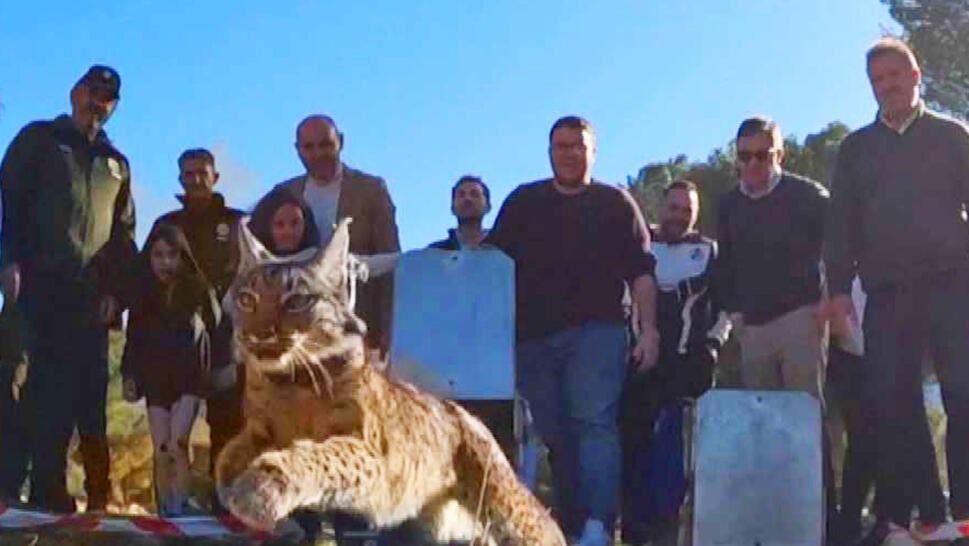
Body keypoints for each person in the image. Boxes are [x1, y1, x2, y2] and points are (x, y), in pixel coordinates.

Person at [485, 115, 659, 546]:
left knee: (594, 423)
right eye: (561, 146)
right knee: (555, 434)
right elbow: (492, 267)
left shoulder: (616, 203)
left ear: (593, 152)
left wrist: (650, 330)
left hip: (597, 333)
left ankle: (599, 525)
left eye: (578, 146)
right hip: (533, 339)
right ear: (549, 153)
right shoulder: (523, 202)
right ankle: (569, 523)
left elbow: (642, 271)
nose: (569, 153)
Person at [825, 37, 969, 545]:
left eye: (895, 75)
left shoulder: (954, 136)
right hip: (887, 292)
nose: (887, 86)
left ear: (916, 75)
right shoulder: (857, 149)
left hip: (955, 286)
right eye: (877, 80)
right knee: (896, 401)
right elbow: (840, 225)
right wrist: (839, 291)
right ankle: (931, 517)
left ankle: (966, 514)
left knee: (963, 392)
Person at [0, 64, 137, 512]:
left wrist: (116, 295)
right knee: (17, 386)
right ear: (74, 92)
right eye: (91, 91)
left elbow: (124, 236)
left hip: (86, 301)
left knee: (71, 398)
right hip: (33, 287)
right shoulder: (39, 140)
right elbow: (10, 205)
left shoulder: (116, 164)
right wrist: (8, 262)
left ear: (113, 107)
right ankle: (5, 491)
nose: (96, 102)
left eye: (107, 98)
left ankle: (50, 493)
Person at [621, 180, 727, 546]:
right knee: (632, 451)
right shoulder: (640, 245)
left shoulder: (708, 251)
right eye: (674, 208)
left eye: (687, 211)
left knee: (673, 458)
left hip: (684, 367)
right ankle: (632, 533)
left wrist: (712, 346)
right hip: (639, 364)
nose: (679, 216)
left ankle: (668, 531)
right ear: (662, 208)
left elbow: (725, 306)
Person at [150, 148, 245, 514]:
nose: (195, 179)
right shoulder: (168, 222)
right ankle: (172, 507)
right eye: (188, 174)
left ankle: (228, 506)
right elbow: (149, 278)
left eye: (202, 173)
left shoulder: (237, 222)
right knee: (174, 434)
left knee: (226, 424)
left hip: (224, 340)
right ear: (179, 179)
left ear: (216, 176)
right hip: (176, 343)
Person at [273, 115, 400, 357]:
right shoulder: (284, 192)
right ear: (297, 150)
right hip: (299, 333)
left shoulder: (371, 189)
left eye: (325, 144)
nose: (318, 153)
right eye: (309, 147)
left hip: (357, 324)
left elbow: (392, 261)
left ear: (340, 141)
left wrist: (390, 329)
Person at [121, 223, 222, 516]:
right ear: (149, 258)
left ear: (182, 257)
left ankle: (181, 501)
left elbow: (214, 330)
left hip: (189, 378)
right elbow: (133, 341)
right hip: (155, 381)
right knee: (161, 447)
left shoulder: (198, 289)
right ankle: (165, 506)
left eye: (172, 255)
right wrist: (129, 377)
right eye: (158, 255)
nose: (165, 262)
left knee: (179, 442)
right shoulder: (142, 297)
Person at [428, 175, 492, 250]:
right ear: (452, 208)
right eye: (461, 195)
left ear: (488, 206)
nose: (467, 199)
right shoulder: (435, 253)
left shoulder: (503, 249)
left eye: (474, 194)